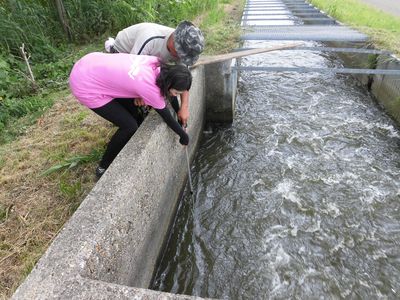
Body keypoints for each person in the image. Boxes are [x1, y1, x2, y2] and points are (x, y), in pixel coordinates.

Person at [69, 52, 192, 178]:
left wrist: (179, 114)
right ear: (169, 84)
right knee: (129, 126)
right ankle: (103, 167)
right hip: (84, 84)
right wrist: (183, 136)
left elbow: (169, 95)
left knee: (132, 113)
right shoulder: (149, 88)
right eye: (176, 92)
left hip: (89, 62)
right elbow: (166, 117)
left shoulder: (156, 63)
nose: (175, 95)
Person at [104, 20, 204, 127]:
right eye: (182, 55)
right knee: (134, 107)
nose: (182, 59)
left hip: (146, 62)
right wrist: (139, 94)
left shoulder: (181, 51)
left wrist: (184, 107)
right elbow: (131, 71)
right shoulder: (150, 39)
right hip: (124, 55)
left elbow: (184, 80)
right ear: (174, 44)